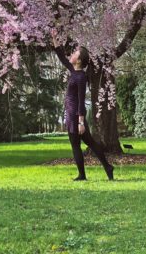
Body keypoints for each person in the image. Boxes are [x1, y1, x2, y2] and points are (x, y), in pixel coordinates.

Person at [51, 34, 114, 181]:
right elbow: (61, 57)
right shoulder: (74, 71)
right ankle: (107, 167)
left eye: (75, 54)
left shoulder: (80, 77)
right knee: (90, 142)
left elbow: (81, 101)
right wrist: (54, 39)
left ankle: (83, 175)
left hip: (75, 115)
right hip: (72, 113)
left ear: (78, 60)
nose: (72, 55)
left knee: (76, 145)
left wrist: (80, 122)